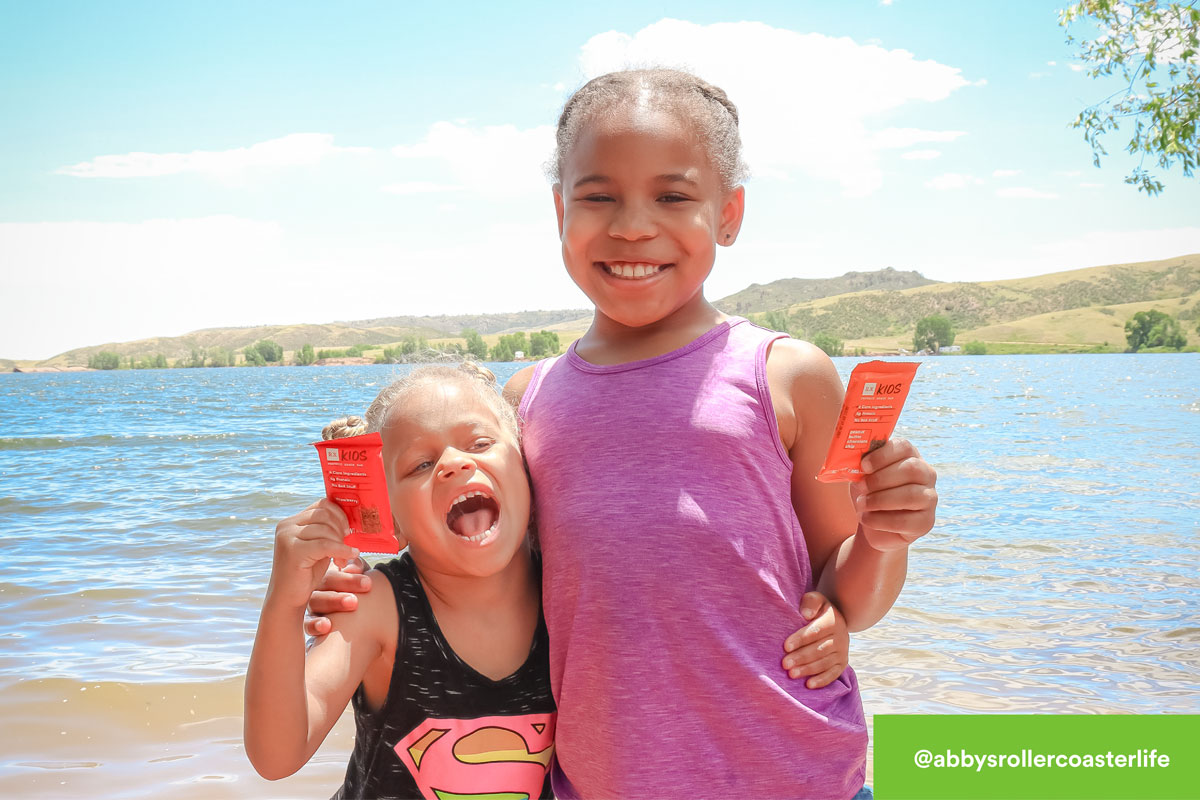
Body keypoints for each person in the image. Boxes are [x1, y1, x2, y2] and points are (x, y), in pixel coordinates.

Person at [311, 68, 938, 798]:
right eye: (598, 196)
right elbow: (483, 578)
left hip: (796, 774)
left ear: (730, 213)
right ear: (559, 212)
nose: (633, 225)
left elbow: (848, 594)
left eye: (673, 196)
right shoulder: (528, 401)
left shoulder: (786, 375)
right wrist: (359, 592)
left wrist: (883, 540)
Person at [244, 363, 557, 800]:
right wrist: (284, 601)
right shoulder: (380, 610)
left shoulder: (567, 595)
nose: (452, 463)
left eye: (481, 442)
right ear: (390, 523)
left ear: (527, 467)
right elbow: (276, 756)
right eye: (421, 464)